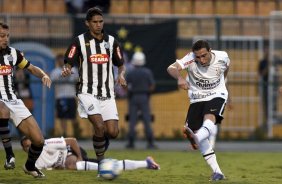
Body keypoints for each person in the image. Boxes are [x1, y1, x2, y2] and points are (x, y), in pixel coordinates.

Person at [61, 7, 127, 162]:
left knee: (113, 132)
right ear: (87, 23)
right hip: (87, 92)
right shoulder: (79, 41)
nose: (98, 25)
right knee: (99, 126)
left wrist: (121, 75)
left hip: (107, 93)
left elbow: (121, 64)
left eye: (101, 21)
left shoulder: (112, 42)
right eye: (95, 22)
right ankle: (101, 163)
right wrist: (66, 69)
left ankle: (99, 145)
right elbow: (68, 62)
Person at [167, 40, 229, 181]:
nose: (201, 59)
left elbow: (227, 67)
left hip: (217, 94)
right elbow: (171, 68)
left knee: (209, 118)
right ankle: (218, 172)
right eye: (198, 57)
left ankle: (198, 136)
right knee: (196, 134)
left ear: (210, 50)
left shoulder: (222, 57)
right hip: (197, 98)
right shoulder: (190, 58)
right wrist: (180, 78)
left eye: (204, 55)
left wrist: (223, 82)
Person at [0, 22, 52, 178]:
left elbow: (31, 68)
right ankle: (10, 156)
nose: (6, 39)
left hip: (13, 100)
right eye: (2, 36)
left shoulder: (13, 54)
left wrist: (43, 75)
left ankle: (30, 166)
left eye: (7, 36)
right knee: (2, 108)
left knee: (38, 140)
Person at [21, 136, 160, 171]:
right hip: (72, 163)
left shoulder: (46, 143)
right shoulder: (34, 163)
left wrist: (79, 158)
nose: (30, 148)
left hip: (74, 152)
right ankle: (146, 163)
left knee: (71, 164)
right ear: (24, 150)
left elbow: (73, 141)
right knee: (106, 165)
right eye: (26, 147)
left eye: (30, 144)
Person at [125, 51, 156, 149]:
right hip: (144, 97)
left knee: (133, 120)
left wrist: (129, 92)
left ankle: (131, 143)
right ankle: (150, 143)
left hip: (133, 97)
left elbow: (125, 85)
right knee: (146, 120)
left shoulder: (131, 73)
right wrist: (147, 93)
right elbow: (152, 86)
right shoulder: (147, 72)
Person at [50, 54, 81, 138]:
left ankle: (77, 133)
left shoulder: (73, 69)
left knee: (73, 116)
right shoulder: (55, 72)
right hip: (60, 96)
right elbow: (52, 81)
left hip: (71, 95)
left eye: (61, 59)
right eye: (58, 60)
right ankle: (64, 134)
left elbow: (78, 79)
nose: (60, 61)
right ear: (57, 61)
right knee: (62, 117)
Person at [258, 47, 269, 127]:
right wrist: (268, 66)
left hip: (273, 89)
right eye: (265, 51)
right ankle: (267, 120)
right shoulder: (262, 62)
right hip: (265, 87)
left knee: (272, 104)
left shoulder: (273, 61)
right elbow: (261, 74)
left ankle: (270, 119)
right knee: (265, 104)